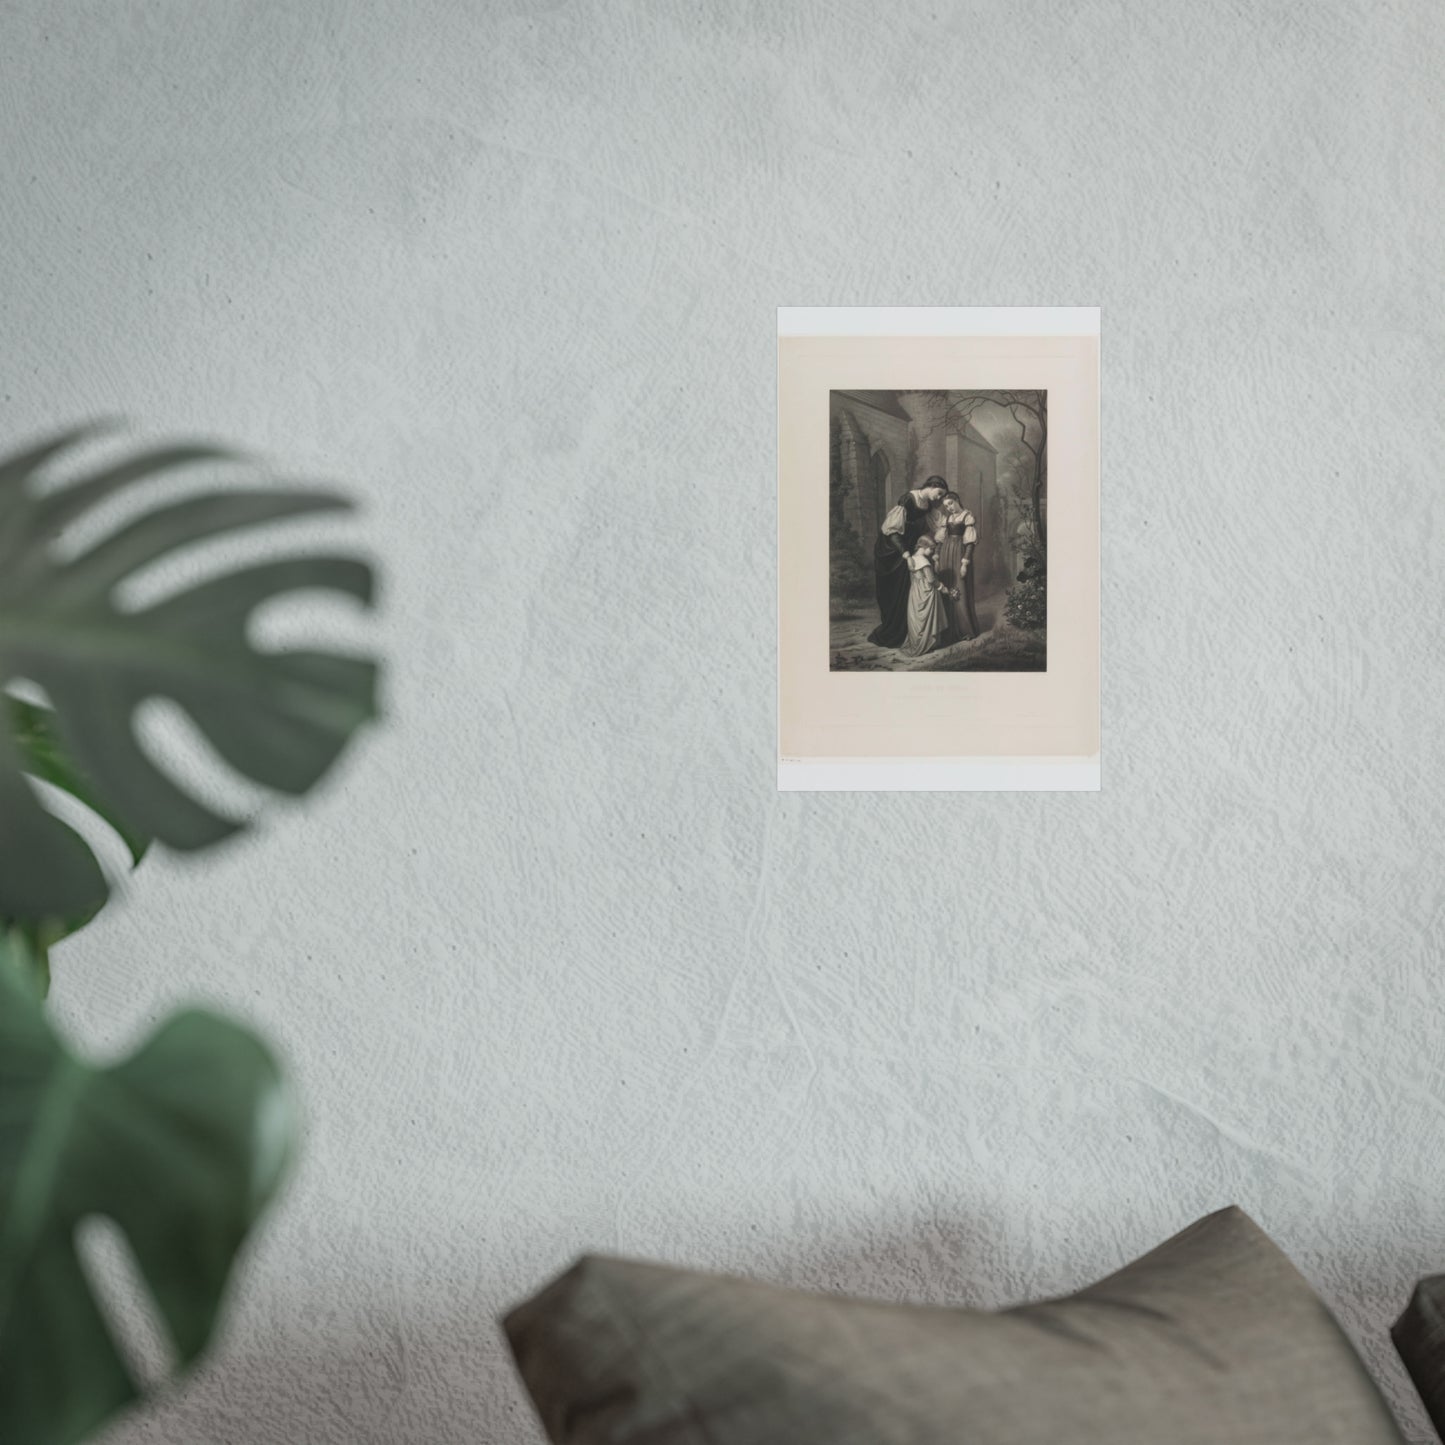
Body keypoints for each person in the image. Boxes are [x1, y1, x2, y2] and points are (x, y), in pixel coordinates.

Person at [867, 478, 946, 647]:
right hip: (891, 550)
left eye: (942, 496)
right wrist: (906, 555)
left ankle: (905, 631)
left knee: (905, 589)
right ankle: (892, 630)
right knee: (892, 590)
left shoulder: (929, 506)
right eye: (939, 493)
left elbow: (939, 523)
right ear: (932, 486)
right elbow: (892, 532)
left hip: (908, 547)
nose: (939, 498)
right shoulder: (908, 499)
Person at [901, 534, 957, 658]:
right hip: (926, 592)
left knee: (917, 618)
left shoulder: (913, 558)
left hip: (915, 593)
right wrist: (943, 588)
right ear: (923, 546)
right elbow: (931, 580)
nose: (932, 552)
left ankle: (918, 643)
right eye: (931, 549)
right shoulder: (924, 561)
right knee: (926, 619)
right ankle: (927, 644)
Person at [932, 492, 979, 640]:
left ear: (957, 500)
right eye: (946, 506)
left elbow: (970, 544)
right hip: (946, 554)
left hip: (959, 554)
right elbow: (940, 541)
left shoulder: (967, 516)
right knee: (947, 587)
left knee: (960, 590)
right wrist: (937, 558)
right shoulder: (947, 519)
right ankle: (949, 630)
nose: (949, 508)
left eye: (951, 503)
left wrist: (965, 563)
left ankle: (965, 630)